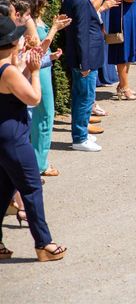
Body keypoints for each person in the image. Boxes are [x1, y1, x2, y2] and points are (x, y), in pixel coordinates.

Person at [0, 15, 66, 261]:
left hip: (3, 134)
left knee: (4, 189)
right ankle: (43, 244)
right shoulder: (7, 72)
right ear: (10, 44)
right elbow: (33, 98)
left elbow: (15, 78)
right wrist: (36, 72)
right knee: (32, 188)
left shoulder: (6, 67)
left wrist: (26, 62)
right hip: (14, 137)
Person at [21, 0, 70, 173]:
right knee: (45, 116)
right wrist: (55, 29)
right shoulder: (29, 20)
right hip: (37, 71)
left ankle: (36, 160)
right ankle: (40, 164)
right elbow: (36, 51)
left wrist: (52, 56)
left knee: (40, 116)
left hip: (43, 68)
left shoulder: (34, 17)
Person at [61, 0, 107, 151]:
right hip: (84, 58)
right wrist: (84, 62)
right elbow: (80, 33)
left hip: (87, 55)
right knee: (84, 97)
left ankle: (82, 134)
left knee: (85, 96)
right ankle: (79, 138)